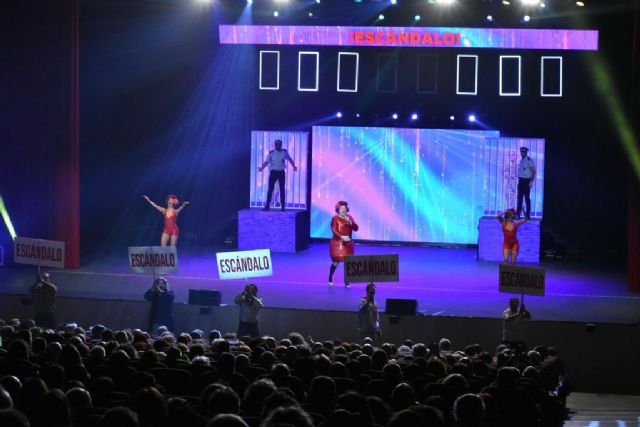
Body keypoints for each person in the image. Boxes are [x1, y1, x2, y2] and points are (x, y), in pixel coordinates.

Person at [258, 140, 297, 211]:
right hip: (273, 173)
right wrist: (262, 168)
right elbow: (267, 162)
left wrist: (294, 166)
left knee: (282, 189)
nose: (277, 146)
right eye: (276, 145)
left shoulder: (284, 152)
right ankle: (267, 206)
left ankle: (282, 207)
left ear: (281, 145)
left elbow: (290, 159)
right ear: (275, 145)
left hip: (281, 173)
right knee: (270, 189)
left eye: (279, 145)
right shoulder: (271, 153)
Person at [328, 201, 359, 287]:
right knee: (335, 262)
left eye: (345, 208)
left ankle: (347, 281)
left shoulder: (350, 217)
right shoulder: (335, 218)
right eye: (341, 208)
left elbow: (356, 228)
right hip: (337, 243)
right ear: (338, 209)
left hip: (348, 243)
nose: (343, 210)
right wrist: (342, 237)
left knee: (348, 263)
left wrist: (351, 222)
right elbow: (334, 230)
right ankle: (330, 277)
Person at [516, 146, 536, 219]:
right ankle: (518, 214)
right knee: (519, 198)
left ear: (526, 152)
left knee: (527, 198)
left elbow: (533, 171)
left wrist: (531, 181)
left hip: (527, 181)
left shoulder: (529, 160)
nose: (522, 153)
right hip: (521, 181)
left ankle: (527, 215)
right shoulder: (521, 160)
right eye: (521, 152)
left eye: (524, 152)